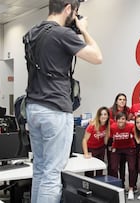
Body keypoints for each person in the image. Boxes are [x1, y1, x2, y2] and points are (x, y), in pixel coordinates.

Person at [24, 0, 102, 202]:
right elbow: (97, 56)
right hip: (55, 109)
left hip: (33, 108)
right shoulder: (62, 34)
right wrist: (84, 30)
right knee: (52, 174)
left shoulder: (33, 33)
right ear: (68, 8)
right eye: (75, 12)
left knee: (40, 170)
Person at [108, 112, 136, 200]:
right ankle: (117, 187)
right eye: (119, 119)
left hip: (129, 148)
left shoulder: (130, 126)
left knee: (132, 168)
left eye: (123, 119)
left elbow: (136, 136)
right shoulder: (112, 127)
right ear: (116, 120)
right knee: (113, 167)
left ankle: (131, 188)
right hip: (117, 148)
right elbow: (110, 138)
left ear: (126, 120)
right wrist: (110, 147)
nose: (121, 121)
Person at [108, 93, 131, 185]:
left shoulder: (128, 110)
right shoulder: (110, 111)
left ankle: (122, 183)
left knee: (122, 164)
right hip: (112, 139)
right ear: (116, 101)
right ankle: (112, 183)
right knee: (113, 165)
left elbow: (130, 122)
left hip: (124, 139)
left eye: (124, 100)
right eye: (120, 99)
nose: (122, 101)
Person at [82, 106, 110, 177]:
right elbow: (84, 140)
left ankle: (98, 185)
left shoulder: (108, 125)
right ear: (98, 116)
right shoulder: (92, 126)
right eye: (101, 114)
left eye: (105, 114)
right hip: (91, 149)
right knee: (90, 170)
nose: (103, 116)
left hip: (101, 148)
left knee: (99, 168)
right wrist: (86, 153)